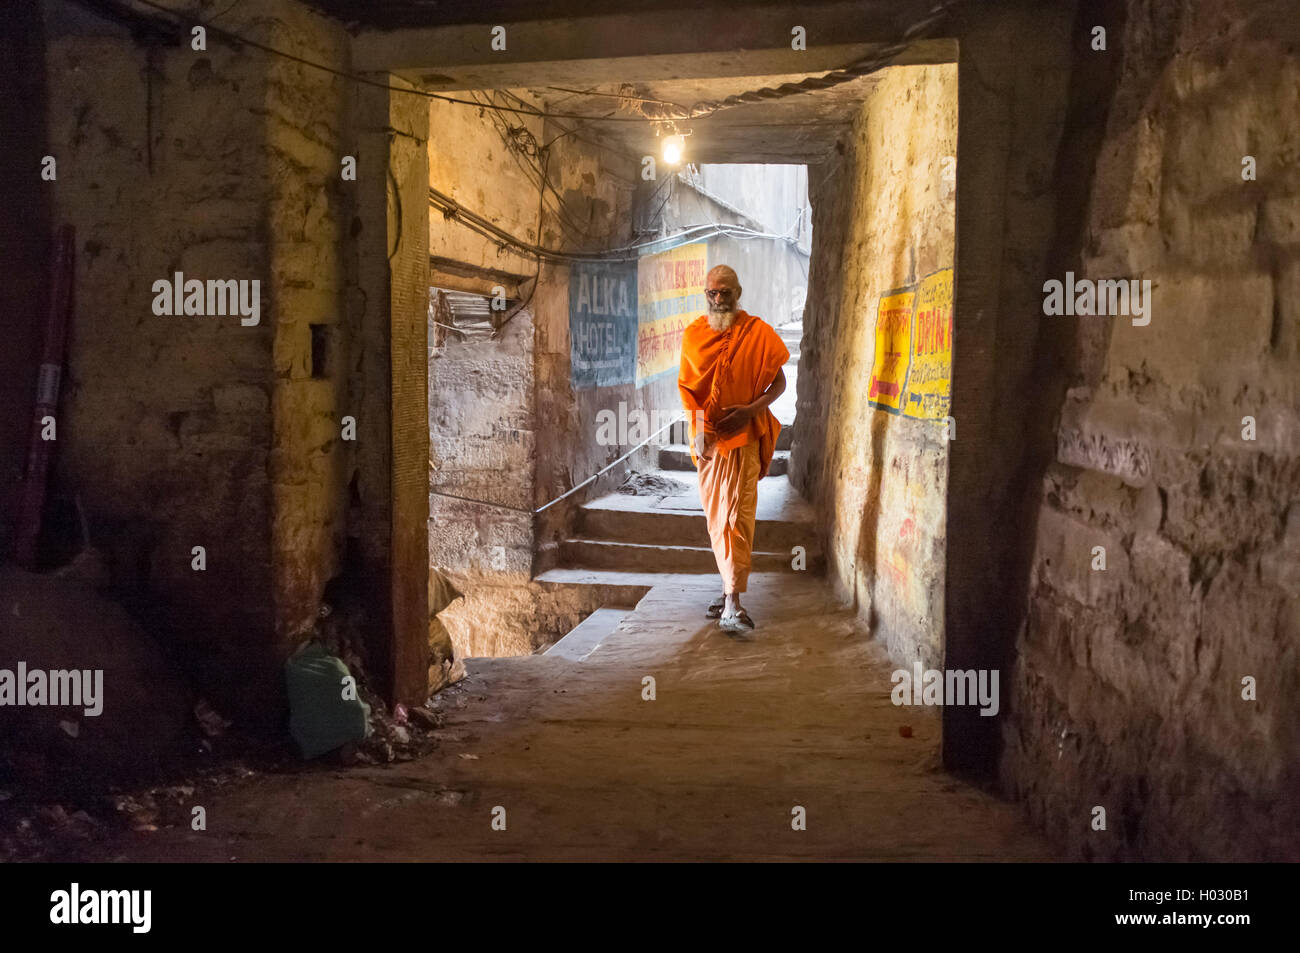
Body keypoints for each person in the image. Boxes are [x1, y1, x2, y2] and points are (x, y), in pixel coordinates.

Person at [677, 265, 788, 632]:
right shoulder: (693, 336)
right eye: (713, 293)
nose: (719, 299)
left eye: (726, 293)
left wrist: (751, 411)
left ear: (738, 292)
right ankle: (728, 587)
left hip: (744, 441)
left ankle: (732, 603)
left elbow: (779, 384)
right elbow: (688, 392)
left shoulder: (757, 333)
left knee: (737, 518)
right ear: (705, 294)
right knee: (716, 519)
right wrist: (699, 431)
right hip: (710, 442)